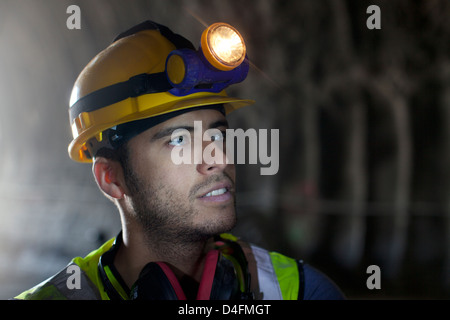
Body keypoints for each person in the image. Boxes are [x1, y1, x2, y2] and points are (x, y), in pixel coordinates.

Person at [15, 20, 344, 300]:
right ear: (111, 178)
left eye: (216, 135)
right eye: (178, 141)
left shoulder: (301, 292)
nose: (217, 159)